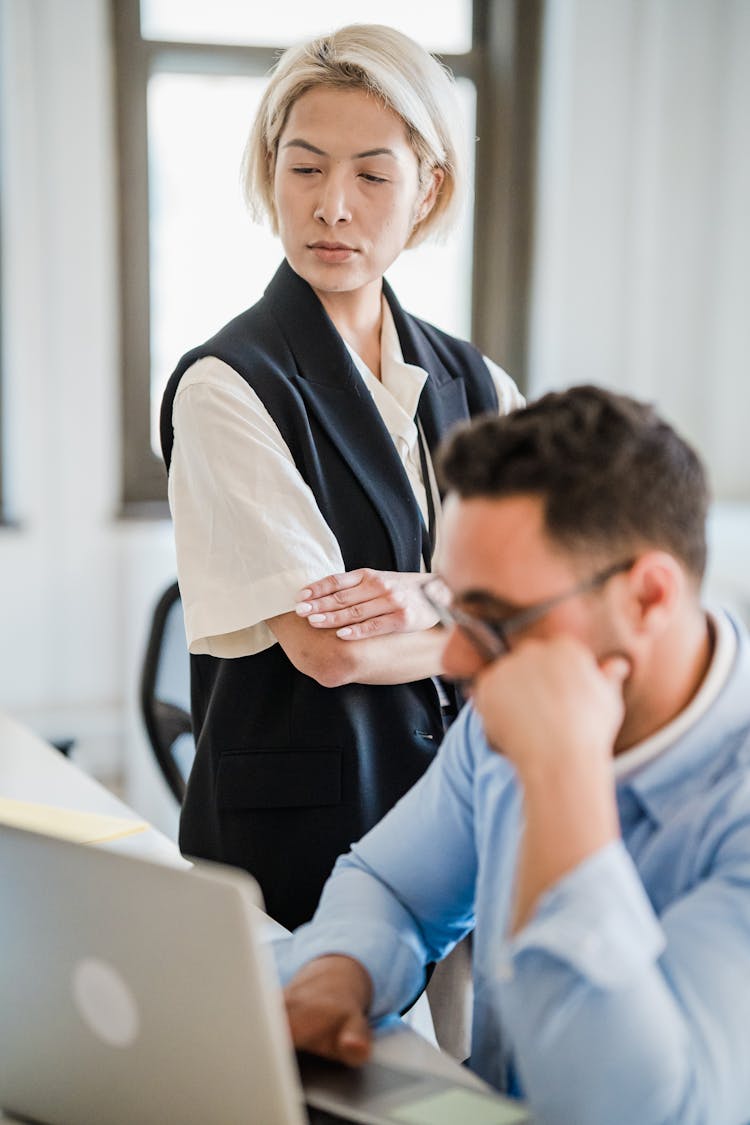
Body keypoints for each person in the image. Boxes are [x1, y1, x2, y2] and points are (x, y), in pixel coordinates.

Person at [277, 386, 750, 1125]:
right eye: (451, 608)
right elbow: (392, 885)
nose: (456, 655)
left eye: (496, 617)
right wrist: (339, 971)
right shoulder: (505, 695)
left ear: (649, 598)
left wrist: (564, 774)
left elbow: (638, 1112)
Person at [159, 24, 523, 932]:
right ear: (271, 171)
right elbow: (332, 650)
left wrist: (432, 595)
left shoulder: (481, 382)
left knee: (481, 1072)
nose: (332, 206)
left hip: (472, 815)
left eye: (371, 174)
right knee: (317, 1074)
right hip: (304, 841)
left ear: (427, 187)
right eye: (305, 167)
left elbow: (553, 597)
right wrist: (484, 627)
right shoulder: (227, 386)